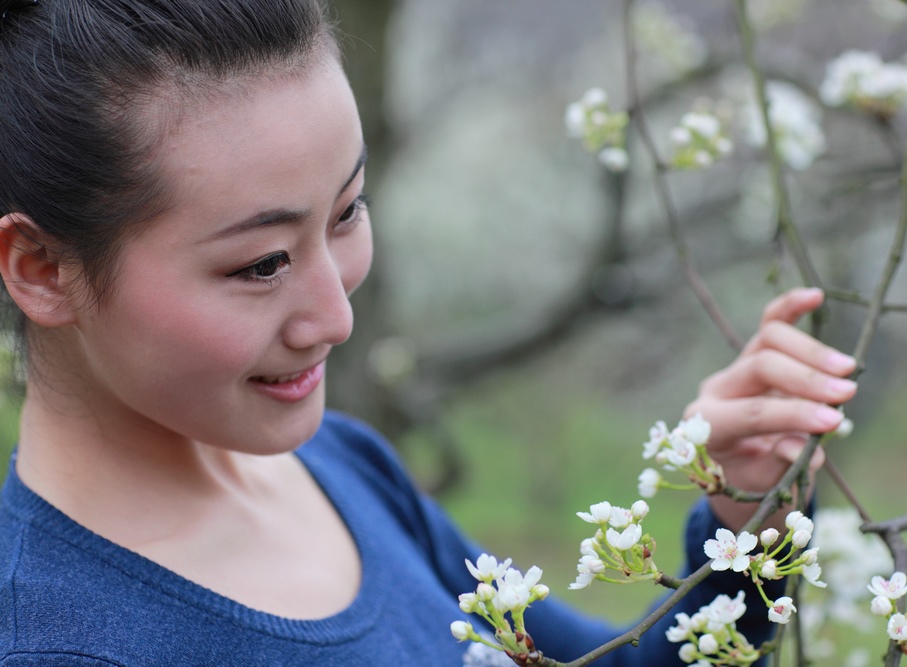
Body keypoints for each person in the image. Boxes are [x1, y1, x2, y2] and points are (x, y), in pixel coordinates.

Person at [0, 1, 858, 665]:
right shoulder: (56, 639)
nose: (334, 316)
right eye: (260, 263)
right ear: (41, 268)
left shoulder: (340, 470)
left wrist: (745, 528)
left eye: (348, 212)